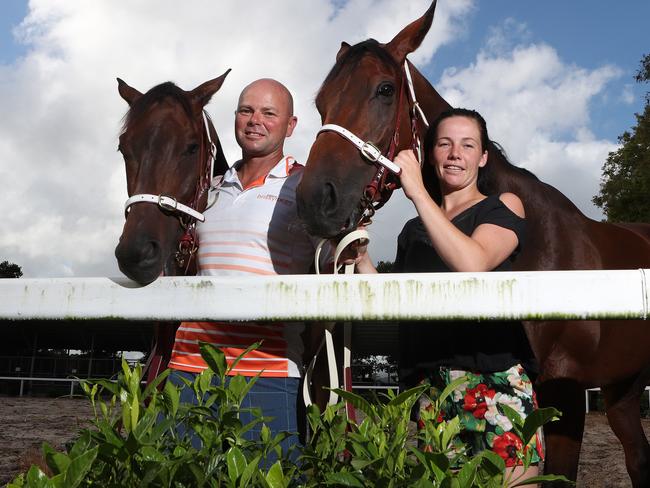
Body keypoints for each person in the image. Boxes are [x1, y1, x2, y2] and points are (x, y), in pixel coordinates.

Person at [355, 108, 542, 480]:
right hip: (433, 389)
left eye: (467, 145)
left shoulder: (503, 206)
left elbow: (473, 262)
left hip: (493, 380)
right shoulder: (412, 230)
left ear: (483, 157)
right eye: (445, 144)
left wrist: (418, 194)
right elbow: (396, 306)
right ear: (432, 154)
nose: (456, 153)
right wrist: (360, 257)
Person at [167, 78, 317, 454]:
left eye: (269, 113)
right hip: (188, 369)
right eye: (246, 110)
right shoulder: (208, 188)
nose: (255, 120)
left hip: (267, 371)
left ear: (291, 125)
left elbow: (331, 260)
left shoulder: (306, 186)